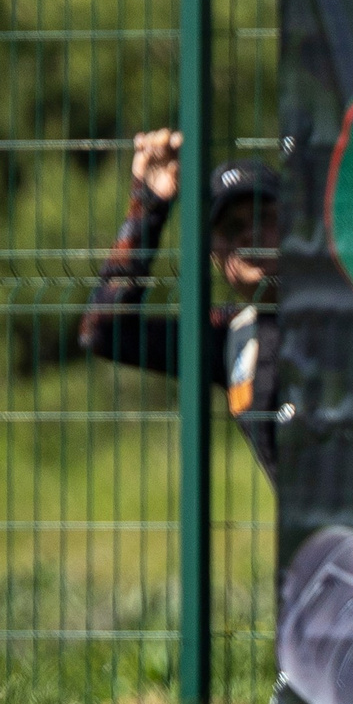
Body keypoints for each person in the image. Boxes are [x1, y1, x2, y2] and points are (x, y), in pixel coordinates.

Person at [78, 128, 282, 476]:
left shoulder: (348, 302)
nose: (249, 234)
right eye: (232, 227)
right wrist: (150, 205)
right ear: (214, 253)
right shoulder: (232, 335)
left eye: (263, 218)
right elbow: (103, 332)